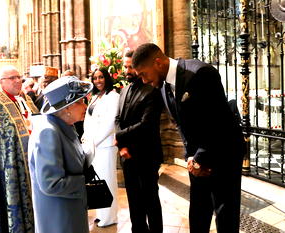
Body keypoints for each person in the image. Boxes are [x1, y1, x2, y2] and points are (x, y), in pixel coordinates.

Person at [132, 43, 245, 233]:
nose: (143, 80)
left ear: (158, 63)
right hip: (198, 158)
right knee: (199, 210)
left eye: (143, 73)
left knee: (225, 213)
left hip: (224, 151)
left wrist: (199, 158)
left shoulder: (200, 73)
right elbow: (182, 125)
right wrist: (191, 158)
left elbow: (218, 121)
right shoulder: (162, 85)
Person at [0, 65, 38, 233]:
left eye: (19, 77)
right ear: (1, 82)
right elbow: (0, 143)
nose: (18, 81)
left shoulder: (23, 98)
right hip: (11, 166)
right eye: (12, 78)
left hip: (34, 160)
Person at [28, 76, 93, 233]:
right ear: (66, 108)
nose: (85, 106)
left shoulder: (65, 125)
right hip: (60, 216)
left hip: (70, 209)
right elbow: (51, 184)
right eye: (80, 102)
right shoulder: (48, 132)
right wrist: (83, 182)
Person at [115, 50, 164, 233]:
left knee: (150, 200)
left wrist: (120, 137)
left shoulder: (152, 89)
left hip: (147, 154)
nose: (127, 71)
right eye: (125, 67)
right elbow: (118, 119)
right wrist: (122, 147)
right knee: (134, 200)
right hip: (127, 155)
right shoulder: (125, 89)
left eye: (130, 67)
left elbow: (147, 125)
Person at [82, 67, 119, 227]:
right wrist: (85, 136)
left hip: (105, 145)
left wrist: (94, 140)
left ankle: (110, 217)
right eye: (95, 78)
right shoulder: (95, 96)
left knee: (107, 180)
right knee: (97, 181)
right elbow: (88, 119)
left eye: (101, 77)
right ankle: (101, 212)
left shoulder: (114, 97)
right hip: (93, 144)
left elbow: (110, 123)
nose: (98, 81)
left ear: (107, 78)